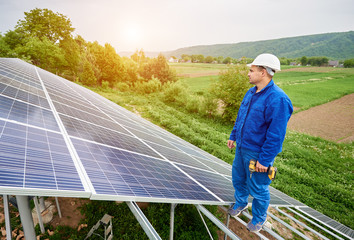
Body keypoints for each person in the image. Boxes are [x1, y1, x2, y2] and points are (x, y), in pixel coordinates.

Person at [227, 53, 293, 233]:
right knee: (238, 179)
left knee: (258, 187)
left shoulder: (278, 99)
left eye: (251, 70)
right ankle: (241, 204)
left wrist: (265, 160)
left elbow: (276, 135)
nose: (248, 73)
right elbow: (241, 116)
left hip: (257, 153)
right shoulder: (251, 92)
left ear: (263, 72)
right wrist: (234, 136)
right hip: (242, 147)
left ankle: (259, 218)